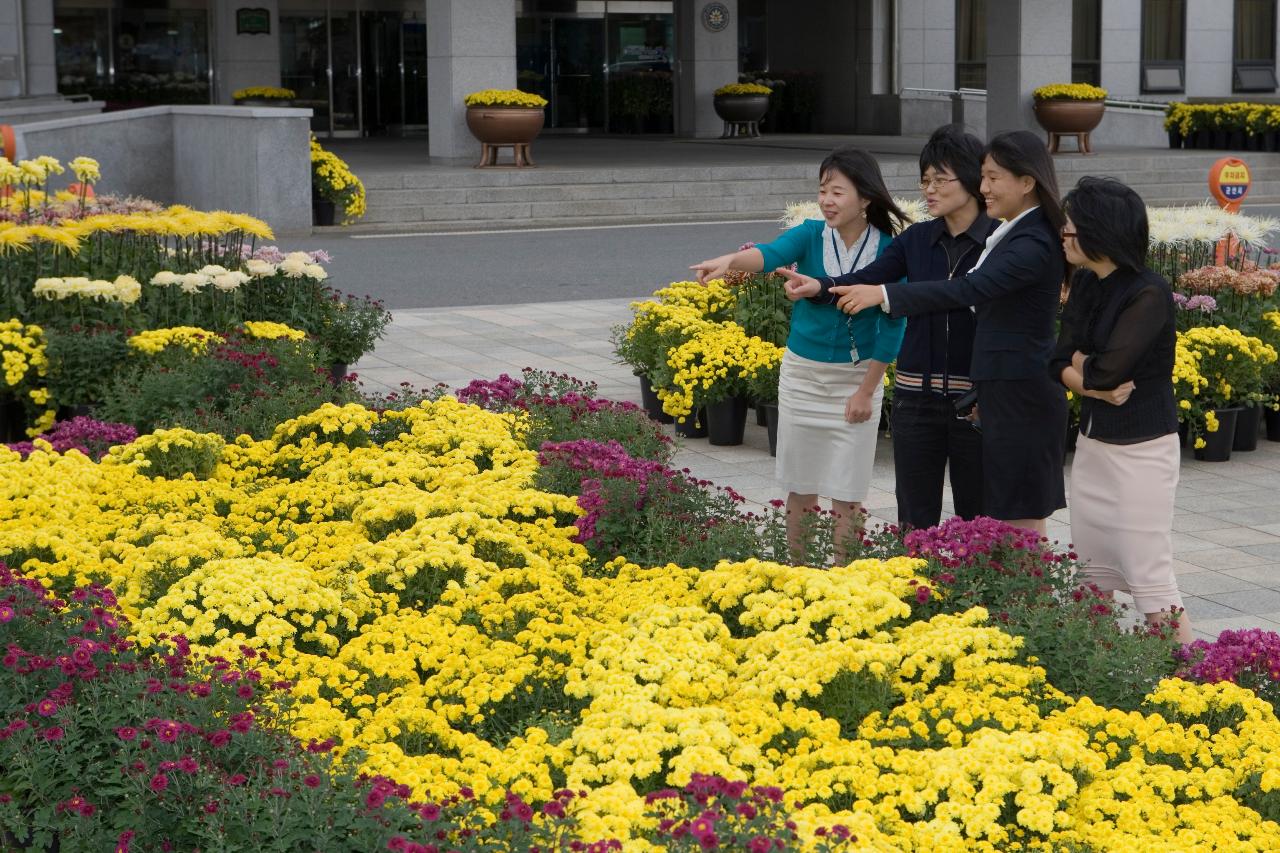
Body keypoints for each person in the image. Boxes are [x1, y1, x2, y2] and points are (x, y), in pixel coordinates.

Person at [778, 130, 1067, 535]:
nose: (928, 190)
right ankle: (917, 596)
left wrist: (885, 294)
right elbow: (863, 278)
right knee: (914, 523)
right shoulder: (916, 239)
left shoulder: (1000, 242)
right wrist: (821, 287)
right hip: (916, 399)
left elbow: (963, 290)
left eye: (939, 180)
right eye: (924, 181)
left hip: (975, 400)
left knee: (978, 520)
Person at [689, 147, 909, 562]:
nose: (827, 200)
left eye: (838, 192)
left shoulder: (890, 250)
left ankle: (845, 581)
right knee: (800, 485)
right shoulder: (809, 234)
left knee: (848, 492)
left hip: (857, 380)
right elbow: (770, 253)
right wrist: (731, 259)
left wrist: (867, 390)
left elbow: (894, 323)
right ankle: (799, 572)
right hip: (802, 376)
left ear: (866, 198)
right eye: (823, 190)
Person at [1049, 177, 1192, 643]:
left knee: (1149, 576)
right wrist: (1090, 385)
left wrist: (1087, 374)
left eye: (1071, 229)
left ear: (1100, 231)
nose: (1064, 236)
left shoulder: (1148, 292)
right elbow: (1057, 362)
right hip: (1094, 448)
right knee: (1092, 577)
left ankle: (1196, 684)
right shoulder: (1088, 282)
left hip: (1142, 454)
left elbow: (1106, 372)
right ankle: (1096, 679)